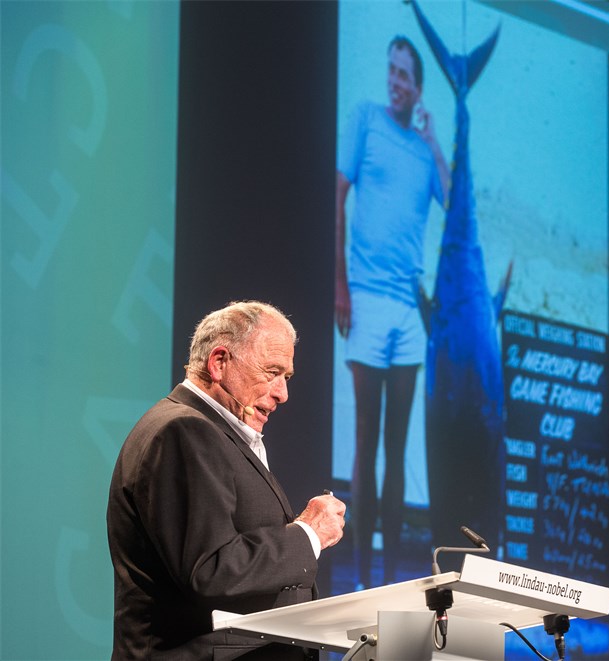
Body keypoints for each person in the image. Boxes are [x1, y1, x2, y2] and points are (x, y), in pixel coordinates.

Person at [107, 301, 346, 660]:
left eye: (287, 377)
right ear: (219, 363)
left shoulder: (212, 431)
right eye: (272, 372)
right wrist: (308, 533)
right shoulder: (183, 431)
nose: (283, 393)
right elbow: (212, 570)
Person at [335, 35, 449, 589]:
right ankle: (357, 575)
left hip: (409, 310)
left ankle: (386, 577)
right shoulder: (365, 119)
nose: (396, 81)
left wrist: (434, 138)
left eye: (406, 75)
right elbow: (337, 197)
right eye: (392, 71)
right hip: (367, 297)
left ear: (418, 86)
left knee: (399, 446)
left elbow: (454, 200)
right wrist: (340, 285)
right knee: (365, 439)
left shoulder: (424, 148)